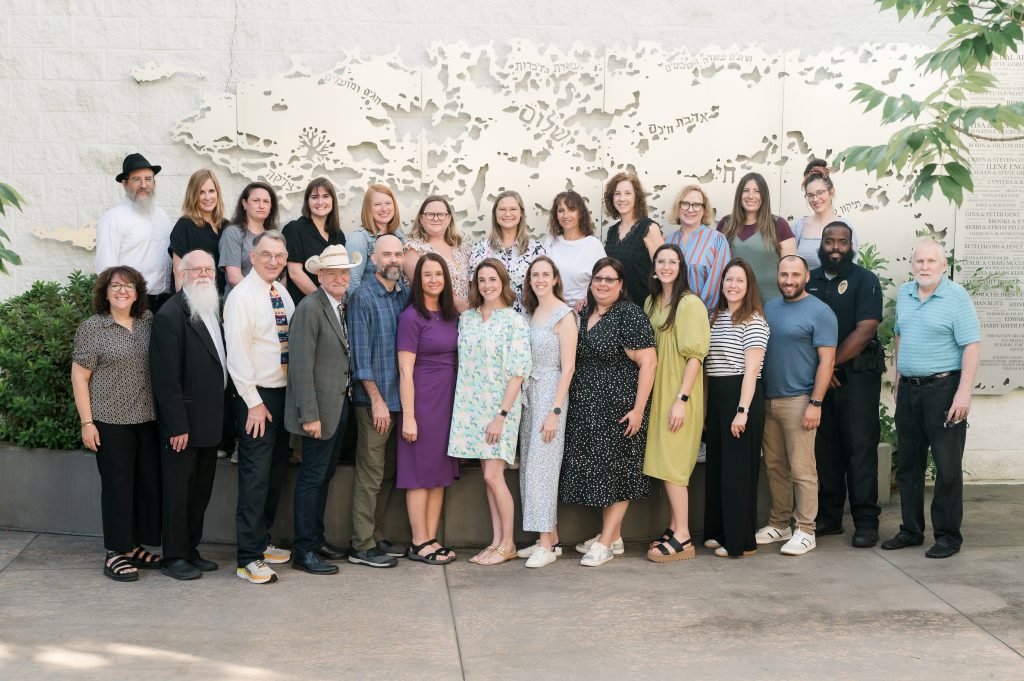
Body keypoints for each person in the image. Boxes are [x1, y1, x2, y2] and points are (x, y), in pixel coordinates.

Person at [882, 239, 981, 559]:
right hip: (910, 390)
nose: (924, 266)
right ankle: (911, 530)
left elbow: (971, 345)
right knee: (909, 465)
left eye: (930, 261)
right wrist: (898, 378)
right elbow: (899, 334)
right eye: (919, 261)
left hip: (944, 390)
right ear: (913, 265)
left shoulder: (956, 296)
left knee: (947, 466)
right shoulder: (907, 295)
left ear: (943, 265)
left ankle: (948, 536)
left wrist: (964, 392)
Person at [561, 257, 657, 567]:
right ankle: (612, 536)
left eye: (610, 279)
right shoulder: (585, 311)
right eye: (598, 278)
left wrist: (639, 409)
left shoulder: (629, 315)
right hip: (589, 409)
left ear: (621, 284)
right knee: (603, 473)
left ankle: (603, 543)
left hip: (619, 408)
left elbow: (649, 363)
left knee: (618, 473)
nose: (603, 284)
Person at [71, 266, 161, 582]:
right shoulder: (93, 328)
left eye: (129, 286)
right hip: (110, 421)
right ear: (105, 292)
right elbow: (80, 377)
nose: (122, 291)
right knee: (117, 487)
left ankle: (134, 546)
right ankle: (115, 553)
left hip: (147, 419)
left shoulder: (148, 322)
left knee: (145, 486)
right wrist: (87, 422)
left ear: (138, 293)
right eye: (116, 286)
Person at [447, 259, 532, 565]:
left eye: (492, 279)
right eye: (482, 280)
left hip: (500, 409)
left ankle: (508, 543)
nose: (487, 285)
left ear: (503, 282)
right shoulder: (467, 318)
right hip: (472, 408)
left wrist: (502, 415)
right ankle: (496, 541)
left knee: (495, 475)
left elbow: (518, 374)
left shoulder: (514, 322)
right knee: (488, 476)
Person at [149, 251, 226, 580]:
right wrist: (176, 425)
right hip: (185, 424)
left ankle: (190, 548)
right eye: (197, 269)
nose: (204, 274)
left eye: (209, 268)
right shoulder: (169, 315)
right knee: (179, 492)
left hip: (209, 421)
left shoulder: (209, 306)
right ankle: (174, 557)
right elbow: (165, 379)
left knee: (200, 491)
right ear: (182, 273)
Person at [806, 222, 885, 547]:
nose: (835, 246)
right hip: (822, 380)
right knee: (826, 451)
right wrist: (821, 371)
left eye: (842, 241)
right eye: (829, 241)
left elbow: (865, 330)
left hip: (857, 378)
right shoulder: (808, 280)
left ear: (851, 245)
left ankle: (866, 522)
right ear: (821, 244)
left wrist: (830, 365)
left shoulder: (864, 280)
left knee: (860, 450)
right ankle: (829, 517)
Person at [284, 244, 361, 575]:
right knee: (312, 478)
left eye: (344, 272)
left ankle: (316, 540)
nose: (340, 278)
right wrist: (310, 416)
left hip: (338, 404)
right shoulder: (310, 308)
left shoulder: (339, 306)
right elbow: (300, 366)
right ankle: (303, 549)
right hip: (318, 411)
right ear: (320, 275)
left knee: (325, 475)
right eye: (333, 273)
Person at [223, 230, 294, 584]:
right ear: (252, 256)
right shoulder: (241, 297)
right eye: (266, 254)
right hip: (255, 397)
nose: (273, 261)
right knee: (255, 476)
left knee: (275, 471)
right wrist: (253, 403)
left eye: (279, 256)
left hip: (282, 396)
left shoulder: (280, 292)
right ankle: (247, 557)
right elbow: (236, 356)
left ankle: (262, 542)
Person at [758, 255, 837, 556]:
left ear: (806, 276)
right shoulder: (769, 308)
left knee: (803, 469)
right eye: (783, 275)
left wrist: (815, 402)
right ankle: (780, 523)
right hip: (768, 399)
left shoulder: (821, 312)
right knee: (775, 466)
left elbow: (827, 361)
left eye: (794, 275)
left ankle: (806, 529)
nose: (788, 280)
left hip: (800, 400)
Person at [643, 244, 710, 563]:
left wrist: (681, 399)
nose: (667, 266)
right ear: (654, 267)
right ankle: (673, 526)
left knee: (673, 465)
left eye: (673, 261)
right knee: (664, 460)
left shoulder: (690, 304)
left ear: (681, 267)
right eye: (661, 261)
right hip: (658, 391)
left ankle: (683, 536)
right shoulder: (651, 302)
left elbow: (696, 358)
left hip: (680, 391)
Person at [347, 234, 410, 568]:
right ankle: (360, 544)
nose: (394, 260)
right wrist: (377, 401)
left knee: (387, 473)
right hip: (374, 402)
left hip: (400, 400)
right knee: (371, 474)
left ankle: (375, 534)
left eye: (399, 254)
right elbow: (360, 358)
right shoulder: (362, 297)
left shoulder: (404, 296)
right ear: (374, 259)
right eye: (387, 254)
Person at [397, 253, 462, 566]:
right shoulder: (412, 316)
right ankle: (418, 541)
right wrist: (409, 416)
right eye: (427, 274)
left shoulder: (450, 314)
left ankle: (431, 537)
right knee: (419, 474)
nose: (434, 279)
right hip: (421, 401)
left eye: (439, 274)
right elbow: (405, 371)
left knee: (438, 474)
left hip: (447, 401)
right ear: (417, 280)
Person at [703, 258, 769, 558]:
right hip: (716, 395)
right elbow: (706, 367)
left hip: (741, 396)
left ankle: (740, 540)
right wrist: (706, 410)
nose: (733, 285)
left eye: (739, 280)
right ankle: (719, 532)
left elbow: (752, 371)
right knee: (718, 468)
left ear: (748, 286)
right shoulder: (712, 316)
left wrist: (741, 411)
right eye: (729, 279)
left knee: (738, 471)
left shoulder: (753, 319)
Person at [516, 256, 576, 568]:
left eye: (545, 274)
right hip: (530, 393)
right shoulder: (533, 311)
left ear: (555, 278)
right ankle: (551, 538)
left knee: (544, 469)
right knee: (530, 466)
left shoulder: (564, 315)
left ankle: (544, 546)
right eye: (534, 274)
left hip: (552, 393)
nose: (539, 279)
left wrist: (554, 410)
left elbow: (568, 369)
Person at [95, 153, 172, 310]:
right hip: (133, 303)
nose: (144, 185)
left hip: (165, 302)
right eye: (137, 179)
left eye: (148, 179)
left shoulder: (163, 216)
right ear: (125, 184)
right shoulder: (114, 218)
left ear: (154, 183)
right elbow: (105, 267)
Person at [717, 172, 796, 304]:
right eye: (746, 191)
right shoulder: (725, 224)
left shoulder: (779, 225)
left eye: (757, 191)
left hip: (771, 304)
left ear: (764, 196)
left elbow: (791, 271)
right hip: (733, 304)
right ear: (739, 195)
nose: (750, 196)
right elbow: (716, 267)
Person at [469, 190, 546, 313]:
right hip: (490, 324)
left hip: (527, 321)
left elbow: (545, 290)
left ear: (521, 213)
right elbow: (473, 290)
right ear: (495, 214)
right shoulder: (479, 249)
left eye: (513, 209)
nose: (507, 214)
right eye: (502, 209)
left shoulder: (535, 249)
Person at [664, 184, 731, 313]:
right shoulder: (667, 241)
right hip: (669, 316)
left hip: (704, 317)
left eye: (697, 205)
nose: (690, 209)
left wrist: (695, 312)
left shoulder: (717, 240)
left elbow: (717, 284)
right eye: (685, 203)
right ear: (678, 207)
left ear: (704, 209)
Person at [282, 177, 346, 305]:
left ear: (333, 200)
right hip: (304, 305)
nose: (320, 202)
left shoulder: (338, 234)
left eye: (326, 196)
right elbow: (295, 273)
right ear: (307, 202)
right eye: (314, 197)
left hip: (333, 304)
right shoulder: (294, 229)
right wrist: (324, 301)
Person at [603, 172, 664, 306]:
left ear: (637, 197)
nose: (622, 198)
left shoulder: (649, 229)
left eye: (628, 193)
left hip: (642, 307)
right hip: (614, 308)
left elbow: (663, 272)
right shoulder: (612, 231)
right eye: (617, 193)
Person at [403, 195, 472, 312]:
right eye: (430, 214)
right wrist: (456, 304)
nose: (436, 218)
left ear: (449, 218)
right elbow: (422, 286)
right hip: (435, 315)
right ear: (421, 218)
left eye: (441, 214)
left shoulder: (461, 248)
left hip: (466, 315)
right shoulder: (413, 249)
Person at [542, 190, 606, 313]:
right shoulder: (550, 242)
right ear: (556, 215)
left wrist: (589, 298)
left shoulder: (593, 245)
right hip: (551, 309)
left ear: (580, 213)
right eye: (561, 210)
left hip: (582, 311)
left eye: (571, 210)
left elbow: (605, 280)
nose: (566, 215)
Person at [170, 169, 229, 295]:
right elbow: (179, 272)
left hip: (224, 301)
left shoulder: (226, 226)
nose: (207, 197)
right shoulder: (184, 226)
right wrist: (185, 309)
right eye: (201, 192)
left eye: (211, 191)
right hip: (196, 302)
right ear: (193, 195)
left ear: (217, 193)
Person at [791, 159, 858, 270]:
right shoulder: (799, 226)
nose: (815, 199)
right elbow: (791, 264)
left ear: (831, 192)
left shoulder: (845, 227)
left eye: (820, 193)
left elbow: (851, 268)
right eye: (810, 195)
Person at [219, 182, 279, 298]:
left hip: (271, 302)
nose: (261, 206)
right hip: (241, 302)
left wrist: (277, 295)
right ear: (244, 203)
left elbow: (283, 274)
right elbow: (234, 277)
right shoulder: (233, 233)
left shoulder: (274, 236)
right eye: (256, 200)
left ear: (271, 207)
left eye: (266, 201)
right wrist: (264, 296)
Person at [348, 183, 405, 289]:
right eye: (377, 204)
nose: (384, 208)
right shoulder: (359, 238)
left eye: (388, 203)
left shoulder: (399, 235)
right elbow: (352, 281)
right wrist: (359, 305)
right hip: (369, 303)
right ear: (368, 208)